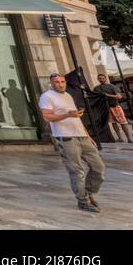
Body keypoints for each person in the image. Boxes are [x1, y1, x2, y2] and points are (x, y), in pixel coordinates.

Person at [39, 72, 104, 212]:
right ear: (52, 83)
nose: (60, 84)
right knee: (76, 170)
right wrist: (67, 115)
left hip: (81, 136)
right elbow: (47, 117)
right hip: (65, 137)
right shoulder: (47, 96)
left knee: (98, 166)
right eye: (57, 82)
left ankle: (88, 193)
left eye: (62, 81)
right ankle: (83, 200)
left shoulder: (68, 96)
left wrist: (87, 135)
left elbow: (76, 117)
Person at [94, 73, 133, 143]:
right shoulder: (96, 88)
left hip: (115, 106)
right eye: (100, 78)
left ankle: (129, 138)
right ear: (98, 79)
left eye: (103, 78)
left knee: (123, 122)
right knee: (113, 123)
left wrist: (108, 95)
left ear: (105, 78)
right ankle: (120, 138)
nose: (101, 80)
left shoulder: (111, 86)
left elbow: (119, 96)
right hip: (106, 108)